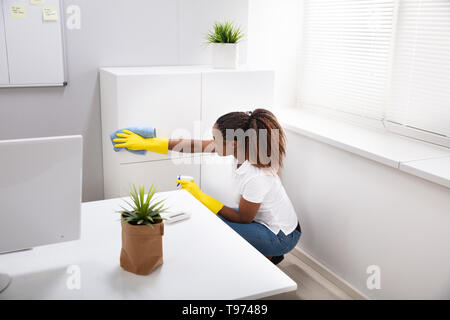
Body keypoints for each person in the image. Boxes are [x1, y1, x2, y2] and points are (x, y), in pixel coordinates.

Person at [113, 108, 301, 265]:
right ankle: (265, 253)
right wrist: (148, 143)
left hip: (281, 236)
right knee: (209, 218)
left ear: (233, 143)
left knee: (214, 229)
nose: (211, 142)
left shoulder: (256, 175)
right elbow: (193, 146)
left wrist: (200, 196)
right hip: (263, 221)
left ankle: (270, 252)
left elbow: (243, 218)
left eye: (215, 139)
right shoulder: (243, 149)